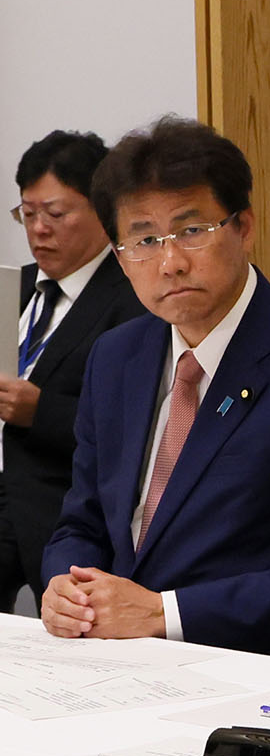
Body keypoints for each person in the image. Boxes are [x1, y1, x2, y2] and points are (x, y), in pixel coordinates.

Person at [42, 117, 270, 658]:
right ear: (119, 256)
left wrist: (162, 614)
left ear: (244, 227)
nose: (170, 262)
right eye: (144, 240)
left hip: (254, 670)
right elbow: (82, 520)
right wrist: (66, 587)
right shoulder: (115, 358)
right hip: (114, 661)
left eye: (191, 231)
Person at [6, 131, 146, 607]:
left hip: (57, 504)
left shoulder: (134, 298)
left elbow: (135, 428)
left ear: (103, 213)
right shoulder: (14, 288)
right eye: (27, 214)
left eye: (56, 214)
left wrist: (38, 411)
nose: (38, 230)